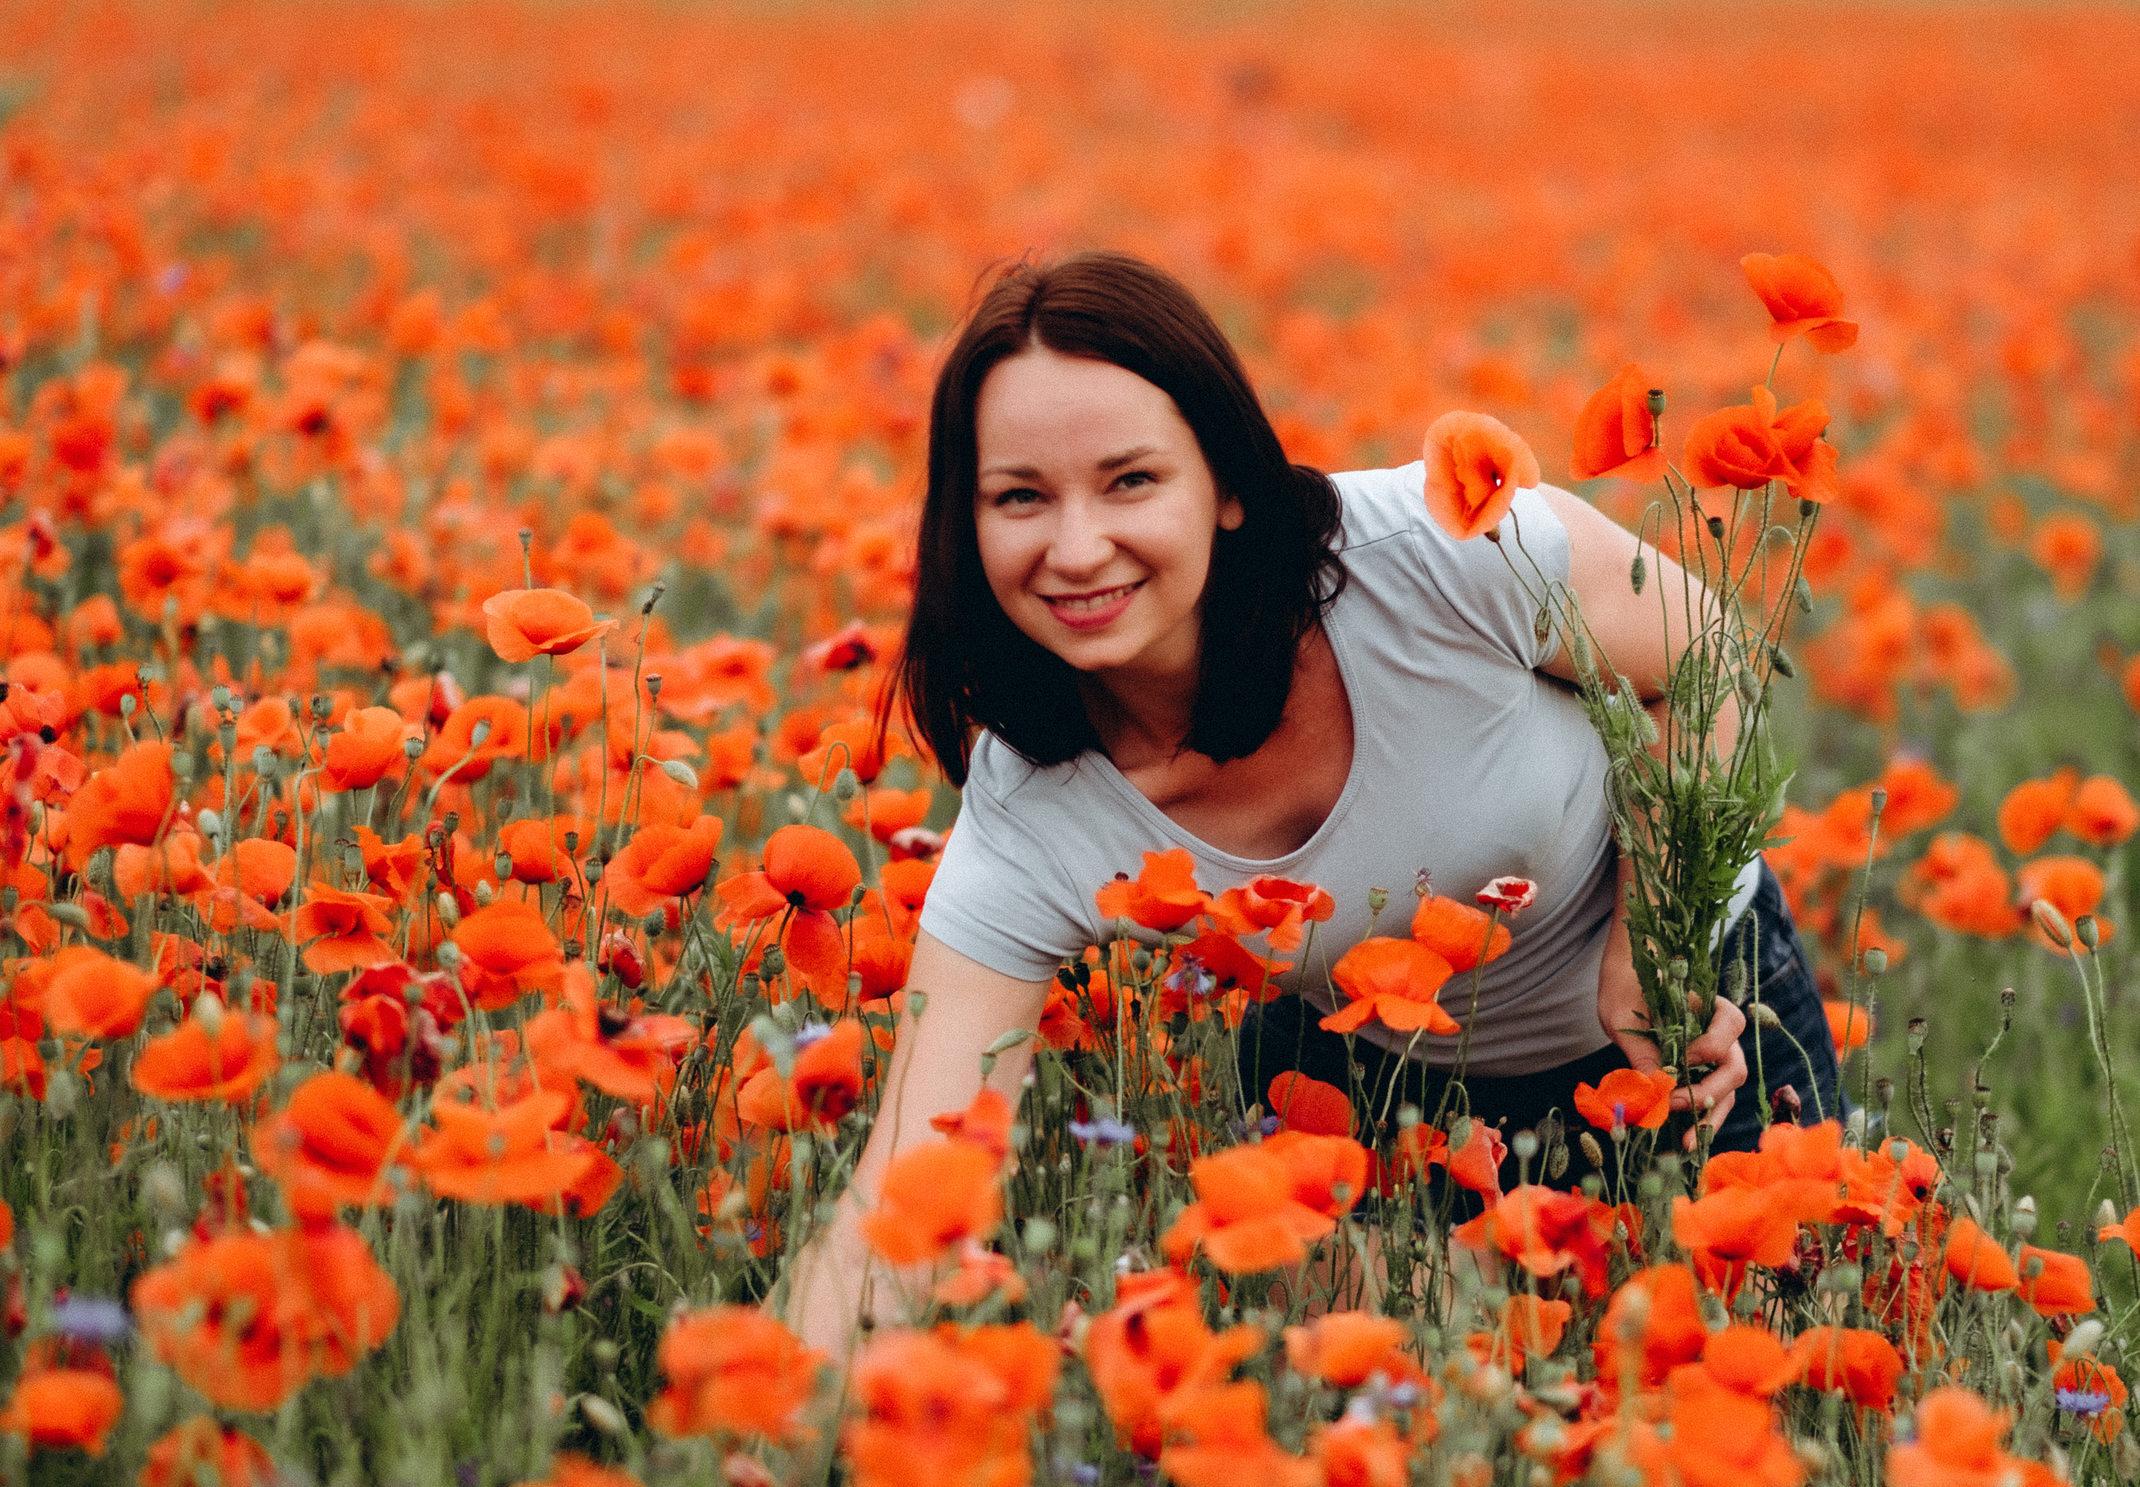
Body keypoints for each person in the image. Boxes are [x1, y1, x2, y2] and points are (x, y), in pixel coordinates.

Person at [780, 251, 1841, 1358]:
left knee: (1757, 1374)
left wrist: (1655, 947)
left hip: (1686, 1035)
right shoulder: (1031, 813)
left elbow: (1709, 661)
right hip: (1368, 1098)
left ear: (1228, 486)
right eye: (1019, 498)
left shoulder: (1443, 552)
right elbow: (897, 1201)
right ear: (968, 522)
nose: (1077, 547)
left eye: (1131, 480)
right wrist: (757, 1452)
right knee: (1465, 1425)